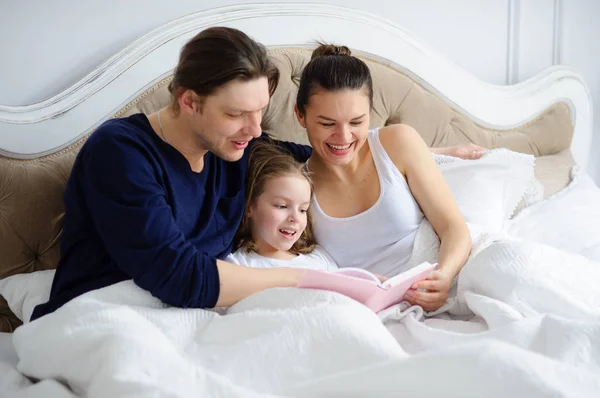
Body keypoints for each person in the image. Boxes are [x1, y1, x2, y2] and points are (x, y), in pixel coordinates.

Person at [31, 27, 482, 320]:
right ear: (189, 101)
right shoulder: (121, 153)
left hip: (198, 319)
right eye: (237, 114)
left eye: (261, 112)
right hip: (105, 313)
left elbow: (329, 154)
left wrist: (429, 153)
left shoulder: (241, 150)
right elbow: (179, 275)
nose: (255, 129)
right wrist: (311, 279)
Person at [294, 44, 474, 312]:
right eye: (327, 124)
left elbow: (453, 227)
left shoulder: (398, 142)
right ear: (301, 116)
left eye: (356, 122)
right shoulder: (297, 187)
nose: (343, 137)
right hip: (372, 308)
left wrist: (444, 277)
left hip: (445, 277)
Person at [225, 140, 337, 271]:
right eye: (282, 206)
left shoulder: (320, 260)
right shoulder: (236, 265)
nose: (295, 218)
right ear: (250, 206)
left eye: (302, 210)